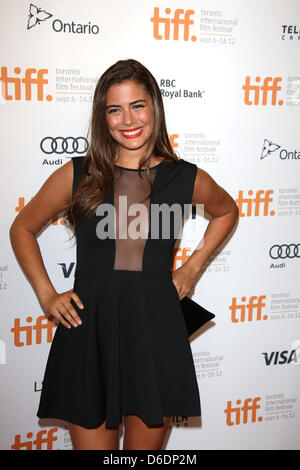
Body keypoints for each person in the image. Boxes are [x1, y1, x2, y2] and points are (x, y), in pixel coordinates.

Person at [9, 59, 239, 450]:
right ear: (103, 117)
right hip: (89, 335)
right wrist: (48, 295)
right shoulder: (78, 174)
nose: (127, 119)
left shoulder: (184, 177)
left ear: (155, 108)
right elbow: (22, 228)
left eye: (138, 105)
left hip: (154, 334)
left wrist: (191, 269)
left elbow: (227, 210)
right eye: (114, 109)